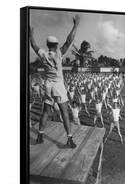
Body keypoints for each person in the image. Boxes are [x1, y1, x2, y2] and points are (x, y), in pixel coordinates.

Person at [30, 15, 80, 148]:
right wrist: (75, 25)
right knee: (64, 112)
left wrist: (31, 34)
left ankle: (40, 135)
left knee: (45, 111)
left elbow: (34, 45)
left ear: (47, 45)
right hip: (58, 86)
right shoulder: (59, 53)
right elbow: (69, 40)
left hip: (47, 86)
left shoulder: (43, 54)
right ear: (56, 44)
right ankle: (69, 139)